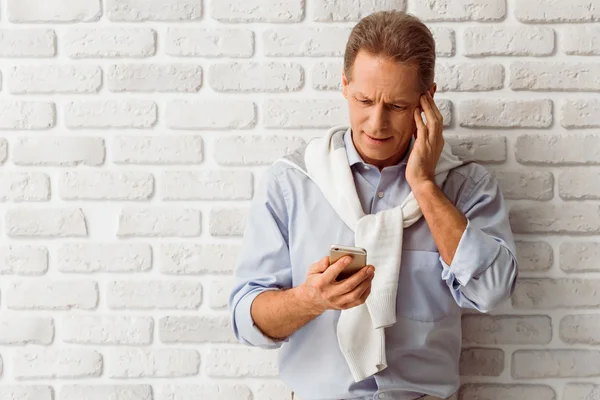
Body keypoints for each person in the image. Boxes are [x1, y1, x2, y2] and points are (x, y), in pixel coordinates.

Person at [229, 10, 518, 400]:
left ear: (426, 100)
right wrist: (310, 299)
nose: (376, 124)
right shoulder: (292, 183)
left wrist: (425, 186)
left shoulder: (465, 184)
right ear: (344, 86)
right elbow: (246, 320)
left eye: (397, 106)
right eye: (364, 100)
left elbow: (492, 291)